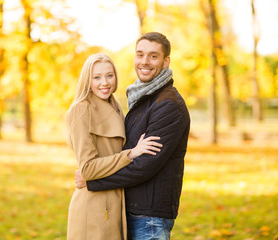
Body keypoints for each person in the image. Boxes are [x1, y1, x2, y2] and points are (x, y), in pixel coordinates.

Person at [75, 32, 191, 240]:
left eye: (153, 56)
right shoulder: (143, 98)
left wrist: (92, 182)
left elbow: (144, 166)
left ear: (166, 62)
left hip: (150, 216)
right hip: (132, 209)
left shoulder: (167, 105)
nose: (144, 62)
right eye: (140, 54)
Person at [66, 53, 163, 240]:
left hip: (113, 202)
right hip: (93, 207)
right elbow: (87, 169)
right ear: (88, 80)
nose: (105, 82)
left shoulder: (115, 105)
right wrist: (131, 154)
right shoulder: (82, 109)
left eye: (109, 75)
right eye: (97, 77)